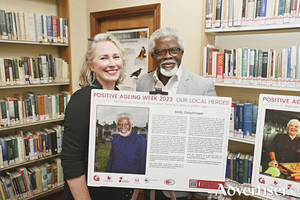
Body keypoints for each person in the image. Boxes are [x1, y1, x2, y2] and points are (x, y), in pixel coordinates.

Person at [136, 27, 217, 200]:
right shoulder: (142, 83)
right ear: (152, 56)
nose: (167, 56)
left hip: (183, 186)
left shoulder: (203, 87)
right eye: (160, 52)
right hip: (150, 180)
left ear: (181, 53)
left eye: (173, 50)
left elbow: (208, 143)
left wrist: (200, 192)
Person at [61, 33, 129, 200]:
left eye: (116, 57)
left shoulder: (123, 98)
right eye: (104, 58)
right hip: (88, 193)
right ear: (91, 65)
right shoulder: (81, 100)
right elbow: (71, 160)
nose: (112, 64)